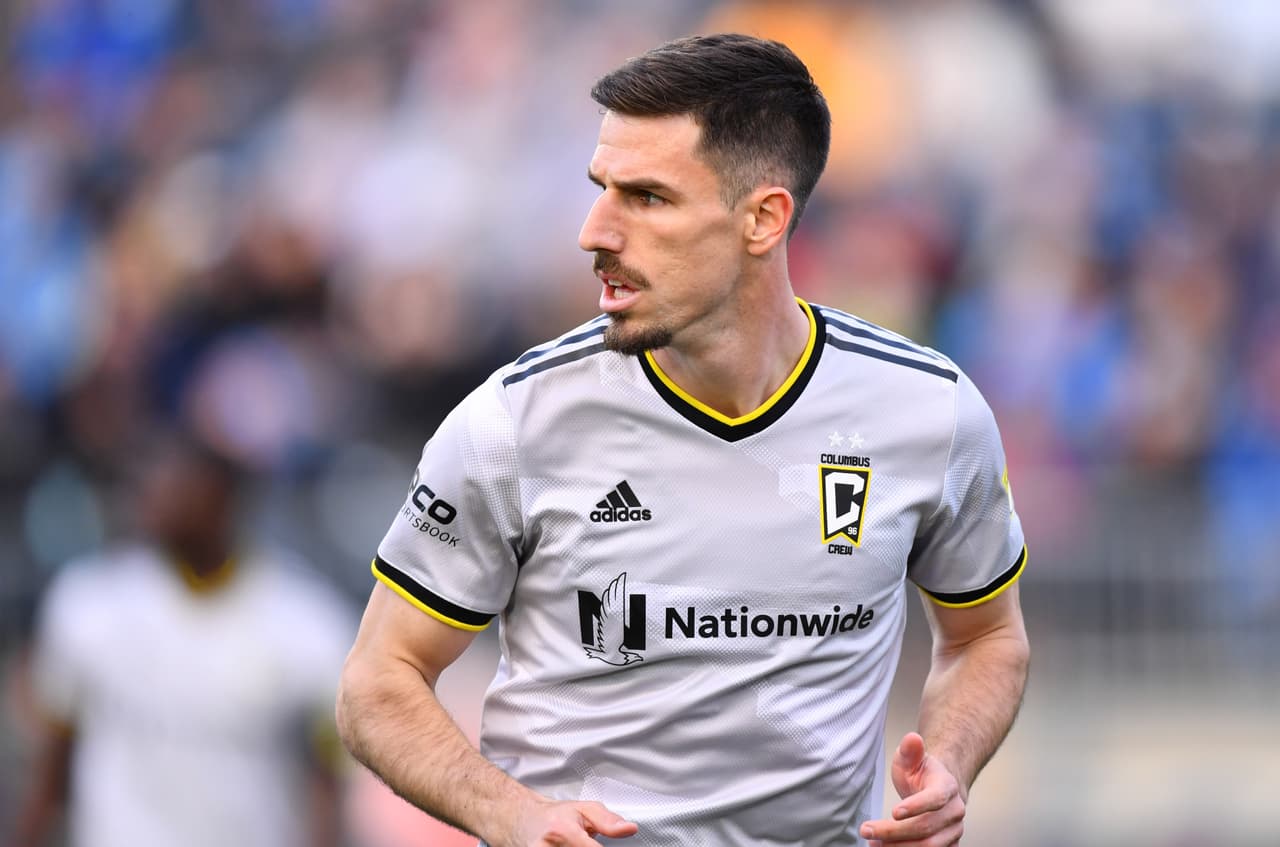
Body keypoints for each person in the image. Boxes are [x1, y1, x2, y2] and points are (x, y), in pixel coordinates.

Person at [336, 33, 1029, 847]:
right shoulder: (512, 424)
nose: (595, 231)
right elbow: (377, 682)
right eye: (601, 189)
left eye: (647, 198)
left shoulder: (928, 412)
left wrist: (948, 765)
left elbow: (986, 636)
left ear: (763, 219)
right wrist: (511, 812)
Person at [9, 431, 354, 847]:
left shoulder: (306, 621)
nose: (158, 492)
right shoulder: (89, 603)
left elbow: (329, 780)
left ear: (225, 498)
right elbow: (54, 761)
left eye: (180, 481)